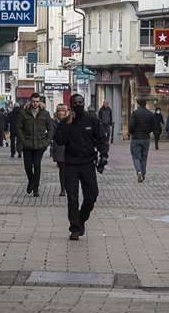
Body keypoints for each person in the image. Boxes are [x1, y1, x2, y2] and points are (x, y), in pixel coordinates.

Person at [53, 93, 109, 239]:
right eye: (76, 102)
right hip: (70, 164)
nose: (79, 104)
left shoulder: (92, 120)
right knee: (72, 197)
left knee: (92, 195)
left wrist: (104, 155)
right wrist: (67, 123)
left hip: (87, 164)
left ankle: (81, 218)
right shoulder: (65, 122)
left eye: (81, 102)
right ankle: (75, 228)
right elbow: (59, 140)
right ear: (71, 105)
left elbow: (101, 139)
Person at [13, 93, 54, 197]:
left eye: (37, 101)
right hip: (27, 144)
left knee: (37, 165)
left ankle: (35, 188)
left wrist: (46, 141)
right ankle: (31, 181)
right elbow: (18, 128)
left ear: (39, 102)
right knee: (27, 166)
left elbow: (50, 129)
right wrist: (23, 140)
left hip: (40, 145)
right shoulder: (23, 113)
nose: (35, 103)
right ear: (30, 101)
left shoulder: (45, 114)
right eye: (33, 101)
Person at [127, 97, 160, 183]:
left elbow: (131, 126)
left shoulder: (135, 113)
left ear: (138, 104)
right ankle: (143, 174)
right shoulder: (150, 114)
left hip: (136, 138)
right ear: (145, 104)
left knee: (135, 156)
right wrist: (148, 131)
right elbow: (154, 126)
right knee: (144, 157)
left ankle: (139, 171)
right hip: (146, 138)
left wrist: (131, 132)